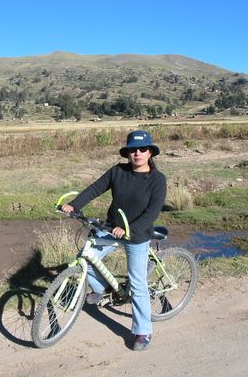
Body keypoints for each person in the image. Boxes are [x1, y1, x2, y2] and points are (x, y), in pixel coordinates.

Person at [61, 129, 167, 351]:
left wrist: (130, 229)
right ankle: (101, 288)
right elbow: (96, 188)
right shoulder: (118, 171)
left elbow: (152, 212)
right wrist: (75, 205)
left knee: (137, 283)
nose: (137, 153)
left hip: (136, 235)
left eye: (142, 149)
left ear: (150, 153)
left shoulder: (157, 180)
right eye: (132, 150)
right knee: (86, 258)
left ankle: (143, 332)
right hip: (110, 228)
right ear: (127, 153)